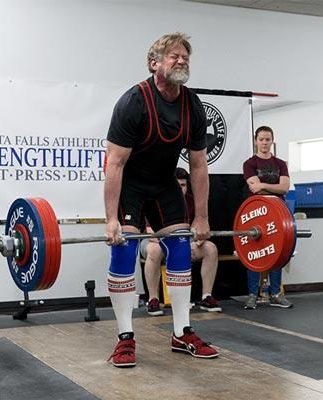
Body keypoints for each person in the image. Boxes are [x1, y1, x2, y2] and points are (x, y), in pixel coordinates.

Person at [104, 32, 218, 368]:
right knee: (124, 248)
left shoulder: (192, 105)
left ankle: (182, 332)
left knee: (181, 246)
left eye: (185, 56)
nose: (181, 60)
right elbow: (115, 163)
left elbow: (198, 165)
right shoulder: (133, 102)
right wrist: (112, 219)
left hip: (165, 183)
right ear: (154, 63)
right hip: (130, 184)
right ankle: (125, 338)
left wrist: (202, 217)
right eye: (173, 56)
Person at [141, 167, 222, 316]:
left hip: (183, 241)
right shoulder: (154, 200)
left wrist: (198, 239)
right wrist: (181, 243)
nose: (180, 189)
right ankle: (153, 300)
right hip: (154, 242)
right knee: (155, 250)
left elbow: (198, 229)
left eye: (183, 186)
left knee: (210, 248)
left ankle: (206, 296)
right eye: (177, 185)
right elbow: (152, 234)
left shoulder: (193, 202)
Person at [241, 126, 293, 310]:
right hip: (256, 213)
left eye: (267, 139)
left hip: (278, 213)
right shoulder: (249, 163)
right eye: (261, 139)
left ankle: (276, 294)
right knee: (254, 252)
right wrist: (273, 186)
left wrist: (263, 184)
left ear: (272, 141)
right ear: (256, 141)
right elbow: (254, 188)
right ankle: (252, 295)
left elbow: (285, 188)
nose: (264, 143)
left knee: (278, 252)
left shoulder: (280, 164)